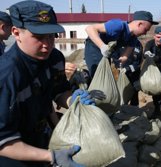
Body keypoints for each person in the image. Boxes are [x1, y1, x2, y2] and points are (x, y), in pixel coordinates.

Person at [0, 1, 103, 166]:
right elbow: (3, 141)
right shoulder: (7, 75)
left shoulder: (54, 58)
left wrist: (73, 101)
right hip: (16, 153)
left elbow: (59, 92)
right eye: (39, 37)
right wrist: (52, 156)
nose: (47, 45)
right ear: (16, 32)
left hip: (43, 137)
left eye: (51, 36)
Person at [84, 10, 158, 77]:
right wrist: (102, 46)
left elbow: (125, 55)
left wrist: (120, 62)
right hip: (94, 45)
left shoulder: (133, 38)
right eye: (145, 30)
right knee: (98, 74)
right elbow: (90, 28)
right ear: (139, 24)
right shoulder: (118, 25)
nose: (145, 33)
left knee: (105, 74)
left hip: (106, 51)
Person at [112, 39, 143, 106]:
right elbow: (115, 57)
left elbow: (138, 62)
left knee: (134, 93)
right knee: (123, 92)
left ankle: (134, 110)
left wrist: (128, 68)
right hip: (121, 74)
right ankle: (123, 109)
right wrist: (118, 65)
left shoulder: (137, 44)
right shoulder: (119, 43)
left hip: (134, 74)